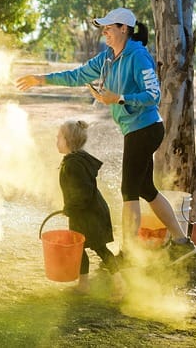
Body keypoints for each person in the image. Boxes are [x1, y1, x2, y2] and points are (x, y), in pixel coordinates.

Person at [16, 8, 196, 264]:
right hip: (135, 130)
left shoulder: (138, 56)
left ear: (124, 29)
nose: (104, 32)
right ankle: (182, 242)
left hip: (145, 129)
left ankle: (128, 254)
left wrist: (120, 98)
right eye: (103, 28)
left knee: (129, 191)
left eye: (108, 27)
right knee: (146, 189)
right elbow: (77, 75)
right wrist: (41, 79)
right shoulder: (107, 59)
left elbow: (154, 96)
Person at [56, 120, 124, 298]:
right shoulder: (74, 160)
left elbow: (83, 192)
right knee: (79, 249)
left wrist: (70, 208)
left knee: (100, 249)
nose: (56, 141)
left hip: (90, 215)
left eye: (58, 138)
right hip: (83, 214)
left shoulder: (74, 164)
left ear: (68, 140)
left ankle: (120, 285)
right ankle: (83, 285)